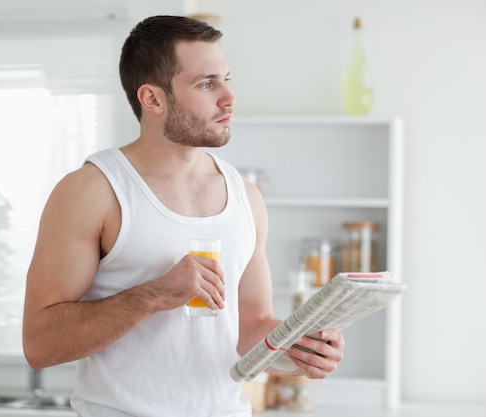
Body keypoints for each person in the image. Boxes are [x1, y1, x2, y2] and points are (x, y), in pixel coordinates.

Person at [23, 15, 345, 417]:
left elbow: (252, 328)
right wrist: (154, 295)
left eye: (227, 80)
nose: (229, 98)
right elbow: (40, 345)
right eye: (207, 84)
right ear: (153, 99)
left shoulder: (247, 197)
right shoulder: (92, 191)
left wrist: (299, 353)